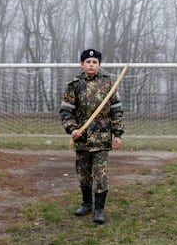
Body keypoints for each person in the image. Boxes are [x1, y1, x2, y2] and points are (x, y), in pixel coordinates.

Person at [59, 48, 124, 224]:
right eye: (88, 62)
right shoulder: (74, 85)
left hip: (102, 139)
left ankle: (99, 210)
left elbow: (116, 111)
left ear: (99, 65)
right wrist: (72, 129)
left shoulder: (109, 84)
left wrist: (117, 134)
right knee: (83, 173)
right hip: (81, 137)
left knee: (100, 173)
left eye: (95, 62)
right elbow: (66, 112)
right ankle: (87, 203)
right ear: (82, 64)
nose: (91, 65)